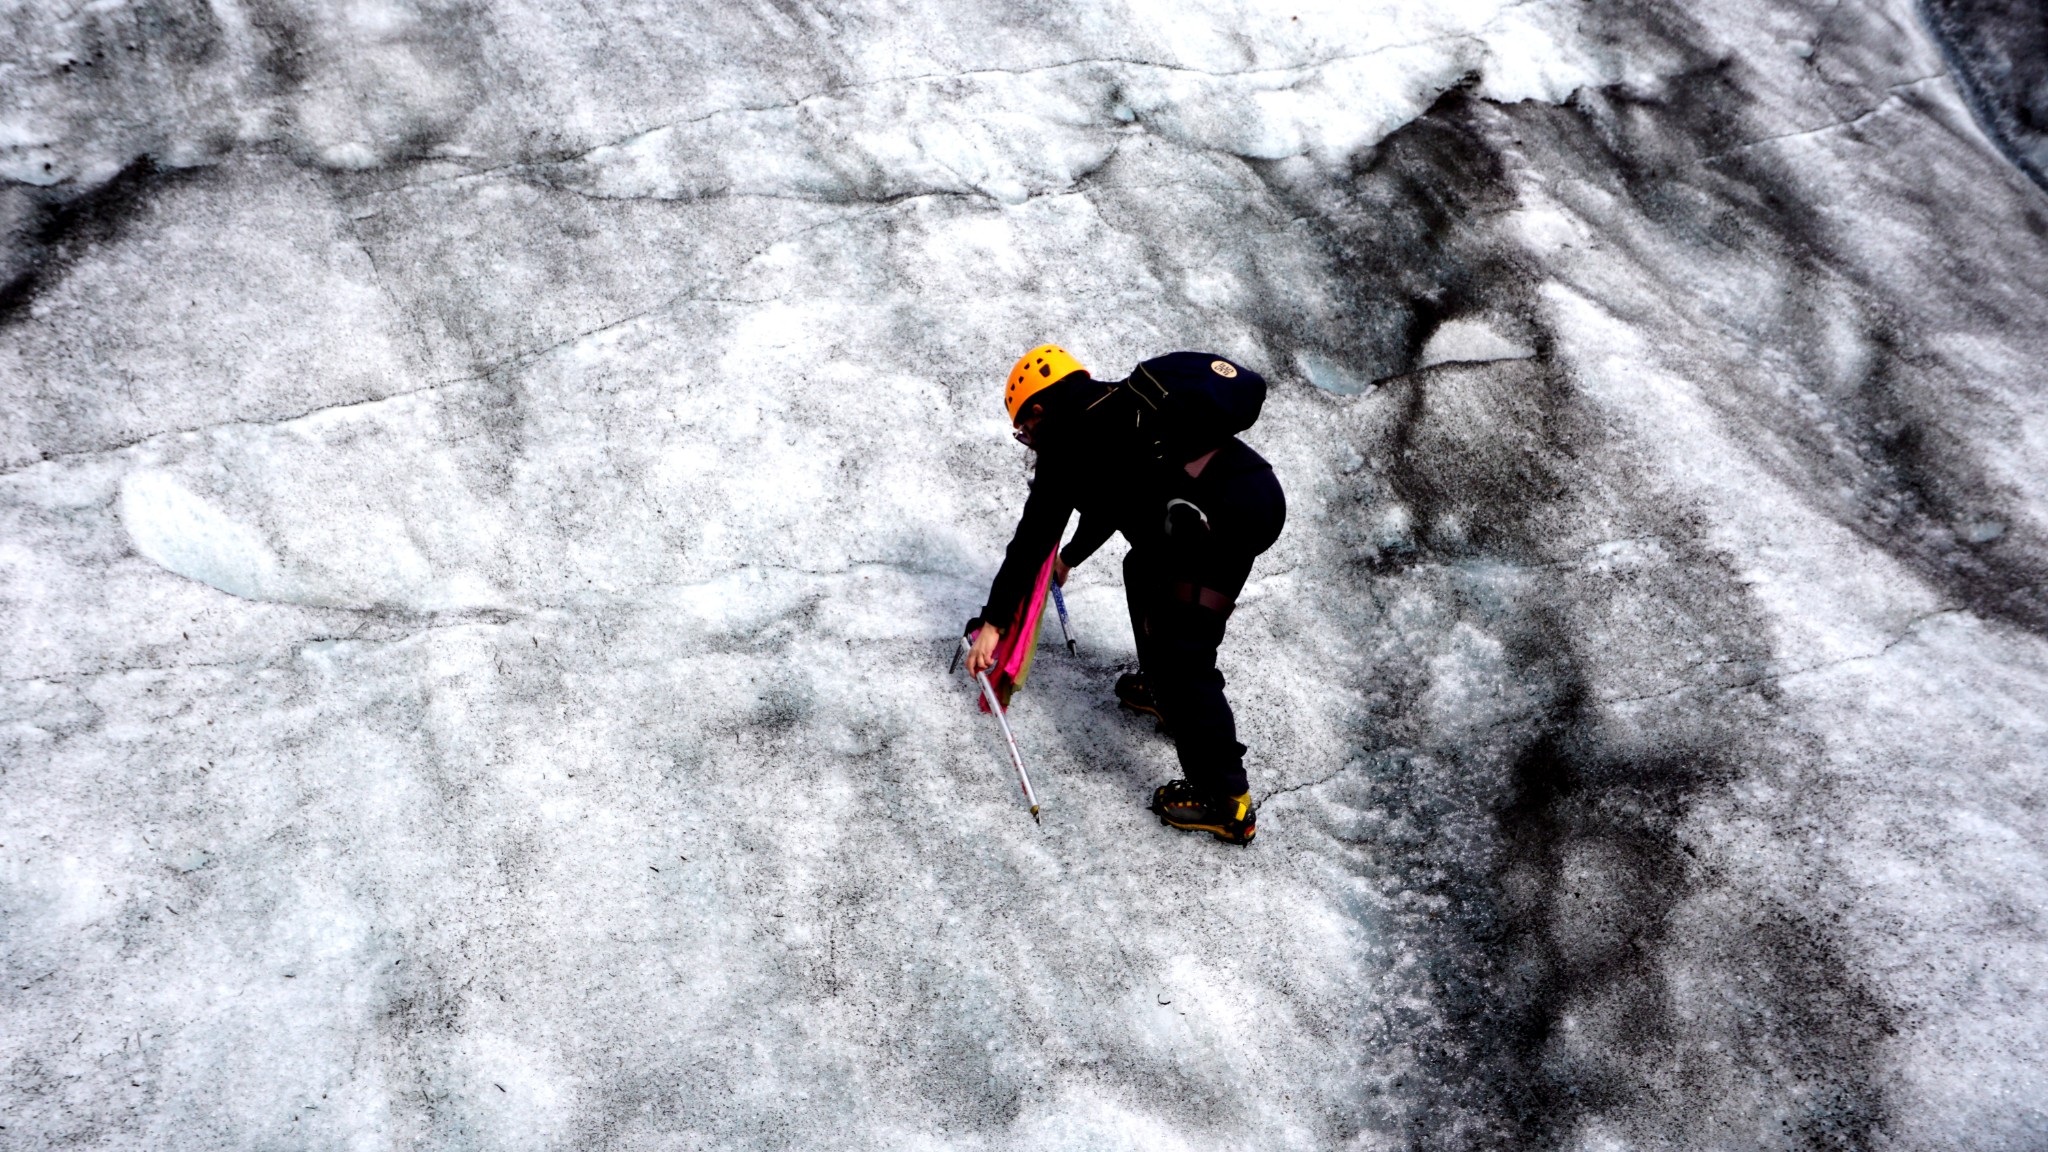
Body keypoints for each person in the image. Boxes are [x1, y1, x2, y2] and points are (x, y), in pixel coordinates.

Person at [962, 344, 1286, 845]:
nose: (1028, 441)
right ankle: (1162, 691)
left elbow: (1030, 542)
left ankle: (1227, 801)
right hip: (1240, 496)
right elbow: (1115, 499)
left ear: (1040, 410)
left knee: (1185, 653)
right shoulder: (1115, 406)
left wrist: (994, 623)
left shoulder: (1066, 445)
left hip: (1226, 519)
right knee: (1143, 568)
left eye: (1025, 429)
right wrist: (1070, 557)